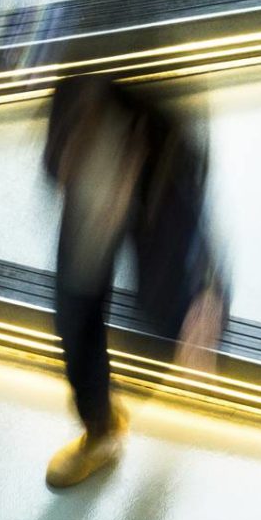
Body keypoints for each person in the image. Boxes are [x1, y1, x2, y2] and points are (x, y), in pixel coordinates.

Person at [40, 75, 226, 490]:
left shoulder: (168, 144)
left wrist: (208, 289)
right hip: (100, 117)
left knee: (167, 315)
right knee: (75, 307)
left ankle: (106, 416)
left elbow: (191, 211)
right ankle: (101, 425)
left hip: (154, 127)